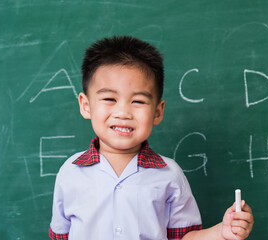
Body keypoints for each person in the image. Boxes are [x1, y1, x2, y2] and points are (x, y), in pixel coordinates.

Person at [49, 36, 254, 240]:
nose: (123, 112)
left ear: (157, 112)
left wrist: (221, 232)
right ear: (86, 106)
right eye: (110, 99)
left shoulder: (169, 175)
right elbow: (60, 236)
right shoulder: (71, 172)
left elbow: (184, 238)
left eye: (138, 101)